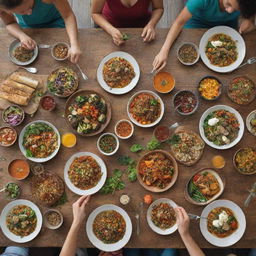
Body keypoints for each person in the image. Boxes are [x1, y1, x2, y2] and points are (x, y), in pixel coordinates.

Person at [152, 0, 256, 72]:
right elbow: (179, 22)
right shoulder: (201, 0)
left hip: (227, 25)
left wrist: (250, 21)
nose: (229, 11)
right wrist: (163, 51)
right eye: (228, 4)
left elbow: (252, 15)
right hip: (197, 24)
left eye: (236, 9)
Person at [0, 0, 81, 63]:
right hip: (29, 26)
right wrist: (22, 35)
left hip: (55, 21)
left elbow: (68, 16)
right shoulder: (2, 5)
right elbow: (10, 23)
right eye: (22, 12)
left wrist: (74, 44)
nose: (29, 13)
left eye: (30, 7)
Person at [91, 0, 164, 46]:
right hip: (110, 25)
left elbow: (158, 8)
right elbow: (95, 13)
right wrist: (111, 30)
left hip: (142, 29)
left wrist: (151, 24)